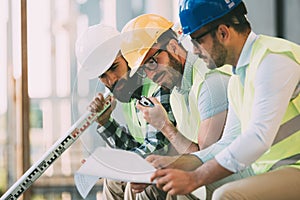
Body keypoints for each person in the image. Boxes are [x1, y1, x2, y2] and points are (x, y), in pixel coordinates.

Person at [146, 0, 300, 199]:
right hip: (268, 169)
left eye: (197, 41)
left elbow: (258, 138)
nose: (194, 50)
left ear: (223, 33)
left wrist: (196, 177)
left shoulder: (273, 59)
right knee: (181, 191)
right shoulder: (238, 77)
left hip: (294, 166)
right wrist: (174, 165)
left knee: (226, 195)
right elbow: (227, 143)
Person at [120, 14, 252, 199]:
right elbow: (183, 154)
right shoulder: (176, 93)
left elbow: (204, 160)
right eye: (143, 70)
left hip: (236, 170)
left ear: (173, 47)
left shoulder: (210, 82)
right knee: (141, 187)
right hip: (220, 167)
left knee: (178, 188)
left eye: (152, 62)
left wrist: (165, 126)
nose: (151, 74)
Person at [75, 24, 176, 200]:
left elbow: (156, 151)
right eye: (103, 76)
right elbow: (133, 150)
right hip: (158, 168)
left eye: (114, 67)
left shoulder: (157, 84)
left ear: (128, 58)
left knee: (136, 185)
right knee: (112, 181)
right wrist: (106, 123)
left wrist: (108, 164)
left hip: (176, 167)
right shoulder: (131, 96)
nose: (112, 80)